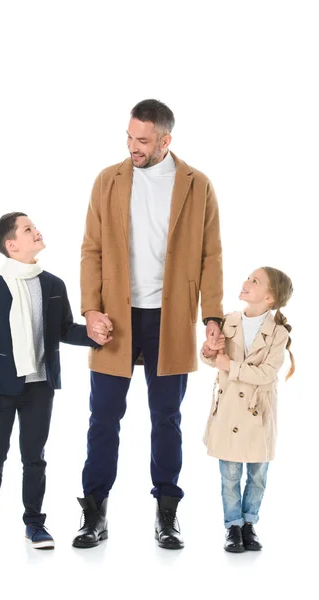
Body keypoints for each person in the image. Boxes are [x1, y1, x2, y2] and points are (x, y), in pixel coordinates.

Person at [73, 99, 223, 549]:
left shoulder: (198, 185)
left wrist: (212, 317)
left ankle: (167, 513)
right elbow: (91, 250)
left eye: (142, 140)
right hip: (114, 317)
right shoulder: (108, 180)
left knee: (167, 418)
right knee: (103, 417)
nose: (132, 147)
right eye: (129, 137)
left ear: (165, 140)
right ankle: (94, 512)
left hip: (171, 317)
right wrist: (91, 310)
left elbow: (210, 256)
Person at [0, 212, 110, 549]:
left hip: (40, 386)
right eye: (28, 229)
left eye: (34, 226)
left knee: (34, 458)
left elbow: (63, 329)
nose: (36, 230)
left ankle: (35, 524)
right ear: (11, 245)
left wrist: (95, 336)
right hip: (1, 386)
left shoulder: (53, 284)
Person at [201, 267, 294, 552]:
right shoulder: (228, 321)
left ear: (269, 298)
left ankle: (249, 523)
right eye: (248, 277)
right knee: (229, 475)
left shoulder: (278, 333)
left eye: (255, 281)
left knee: (257, 475)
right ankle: (233, 525)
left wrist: (231, 366)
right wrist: (208, 349)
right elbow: (211, 360)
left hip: (258, 414)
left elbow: (267, 373)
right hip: (229, 411)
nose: (246, 281)